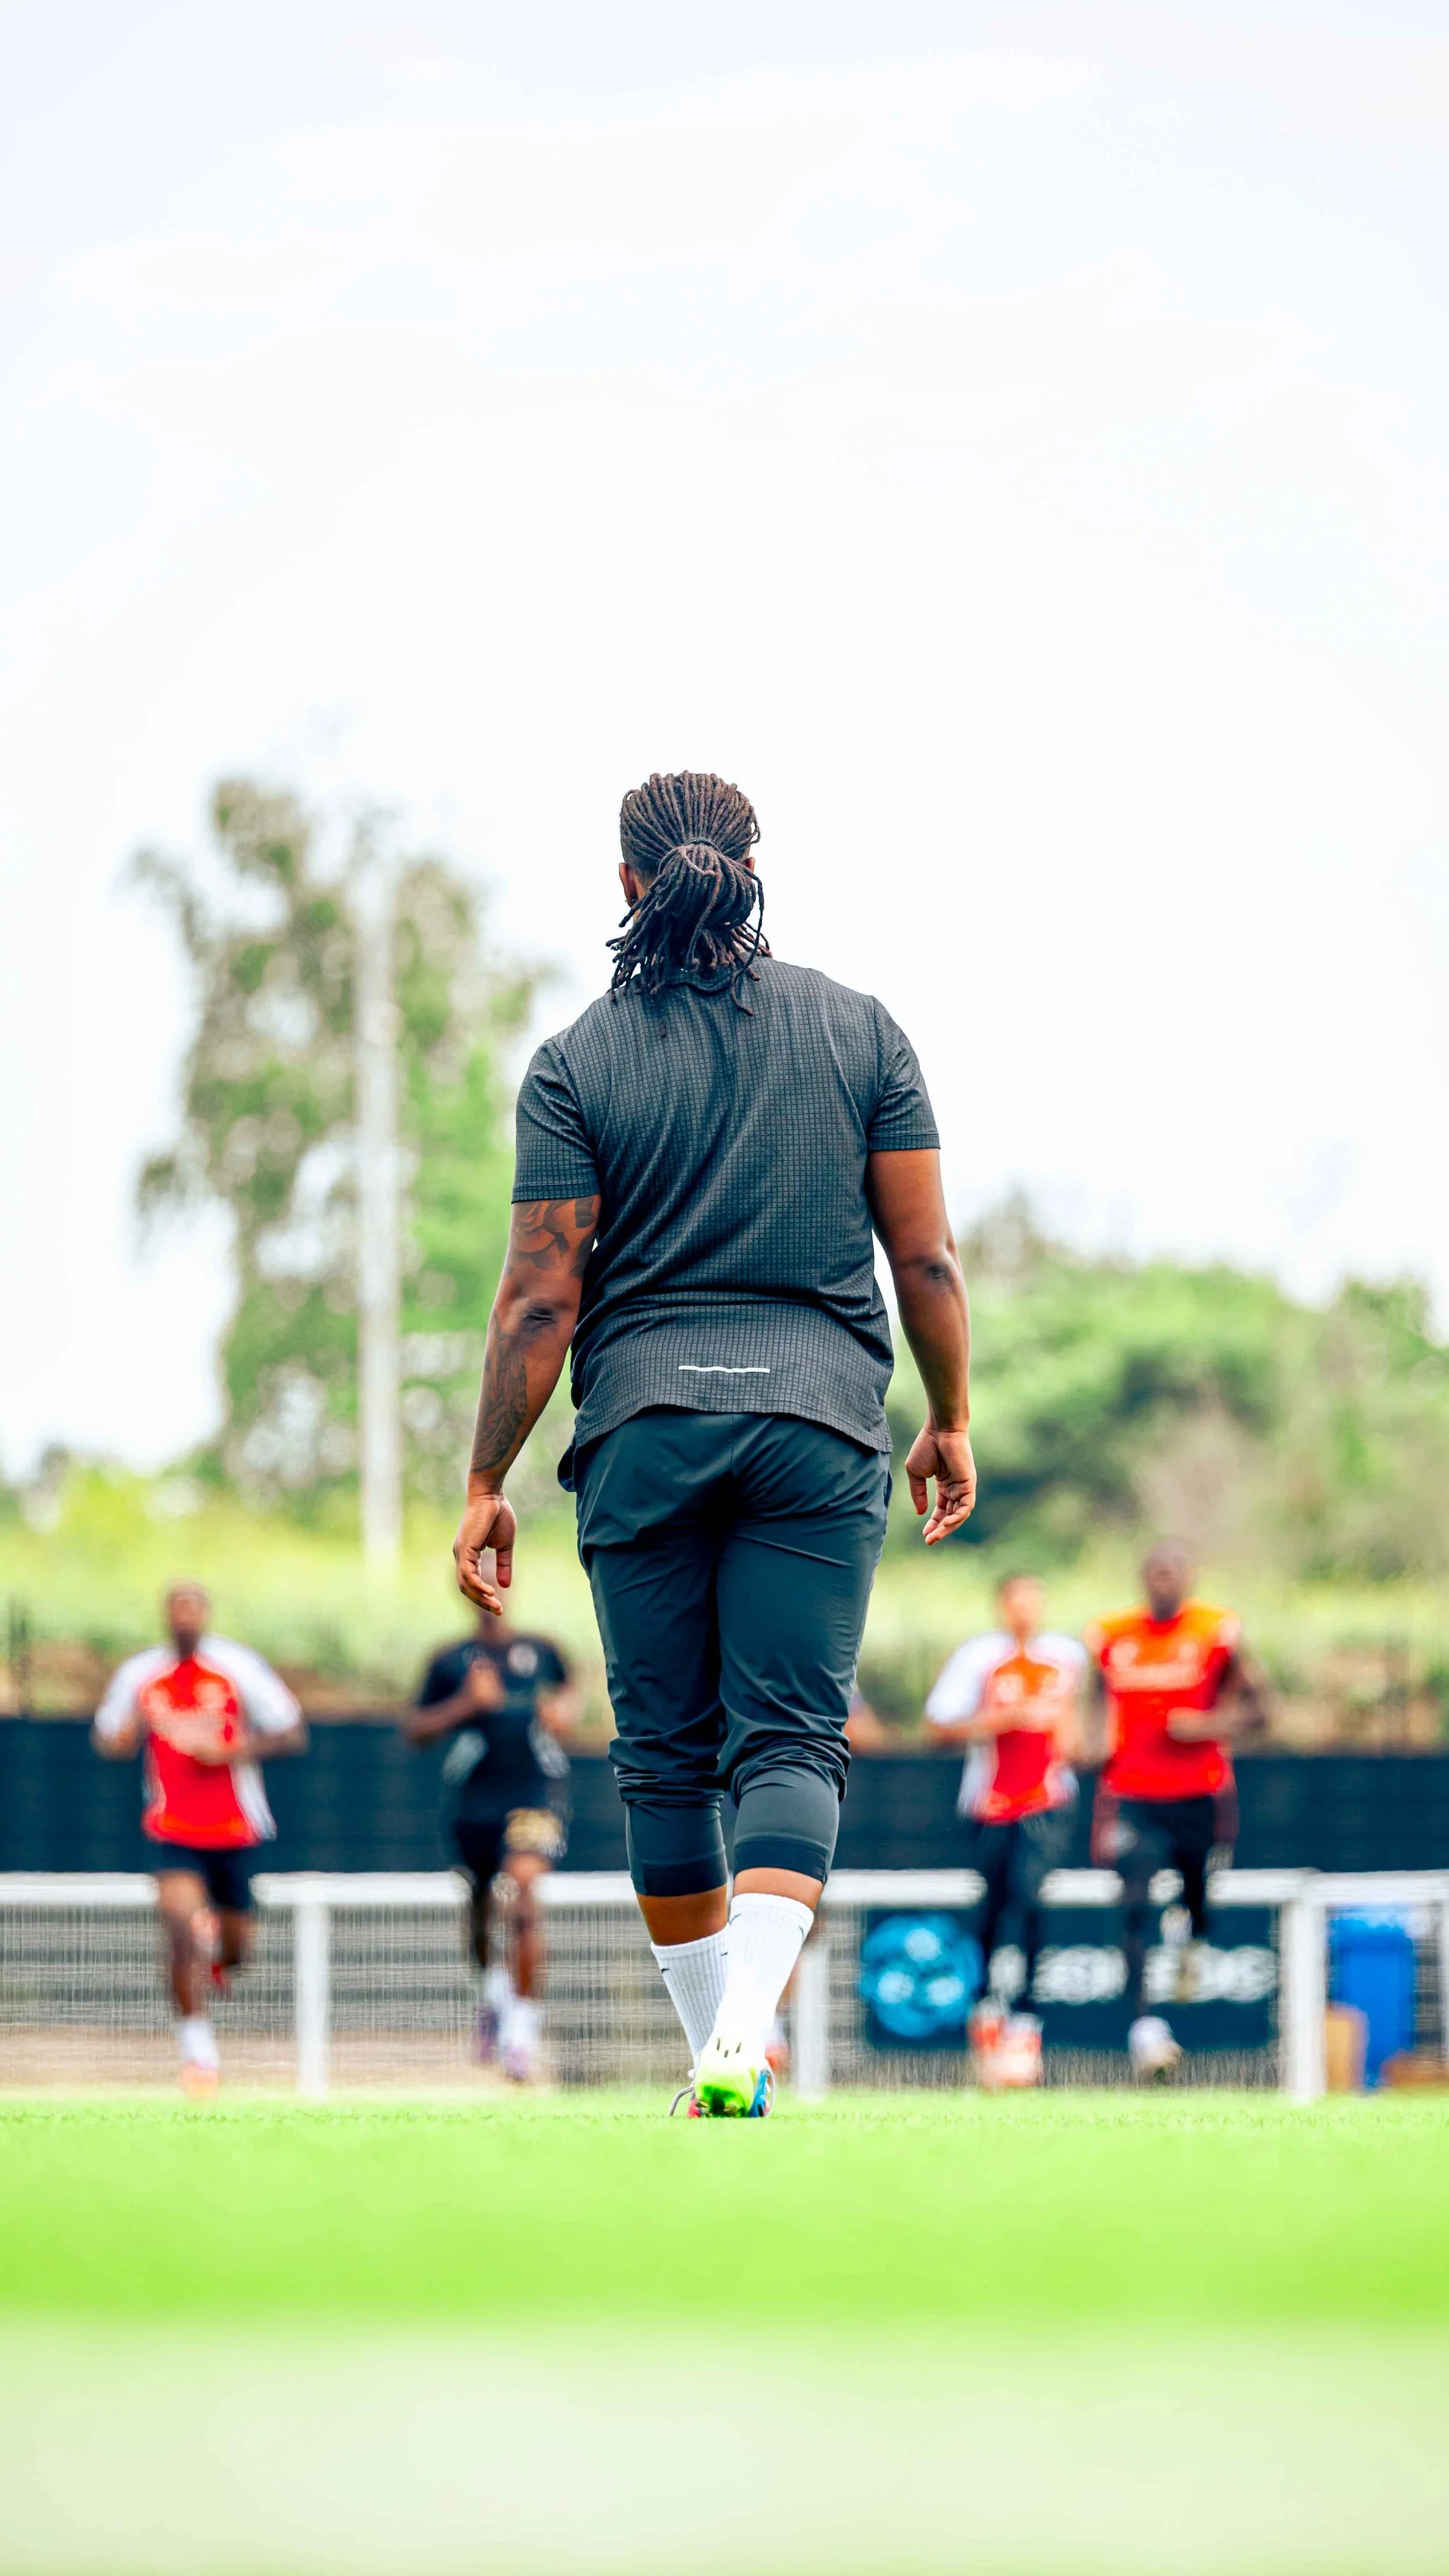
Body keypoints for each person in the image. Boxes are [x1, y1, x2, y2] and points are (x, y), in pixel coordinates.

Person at [449, 769, 974, 2116]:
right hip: (818, 1426)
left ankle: (720, 2053)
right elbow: (924, 1258)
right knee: (791, 1740)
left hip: (643, 1430)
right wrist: (949, 1416)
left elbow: (540, 1298)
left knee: (666, 1758)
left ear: (626, 882)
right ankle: (741, 2042)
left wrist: (486, 1478)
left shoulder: (576, 1062)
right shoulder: (860, 1032)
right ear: (755, 868)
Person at [93, 1582, 306, 2094]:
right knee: (179, 1928)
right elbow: (108, 1736)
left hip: (235, 1827)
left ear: (205, 1615)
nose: (184, 1619)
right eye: (176, 1610)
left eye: (192, 1610)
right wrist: (122, 1739)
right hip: (173, 1827)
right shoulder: (142, 1674)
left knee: (237, 1951)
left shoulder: (236, 1667)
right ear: (166, 1616)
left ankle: (218, 1949)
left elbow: (291, 1732)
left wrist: (233, 1751)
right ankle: (199, 2056)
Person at [1087, 1540, 1269, 2081]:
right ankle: (1145, 2030)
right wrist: (1091, 1741)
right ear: (1143, 1578)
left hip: (1199, 1792)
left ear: (1189, 1578)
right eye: (1155, 1572)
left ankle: (1193, 1935)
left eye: (1173, 1572)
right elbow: (1092, 1701)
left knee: (1197, 1895)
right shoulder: (1113, 1636)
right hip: (1132, 1793)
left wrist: (1206, 1725)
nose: (1163, 1580)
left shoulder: (1215, 1632)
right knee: (1133, 1902)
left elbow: (1263, 1710)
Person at [924, 1574, 1087, 2085]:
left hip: (1048, 1802)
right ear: (1001, 1605)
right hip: (990, 1804)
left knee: (1031, 1895)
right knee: (993, 1906)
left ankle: (1026, 2018)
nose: (1025, 1611)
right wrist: (999, 1721)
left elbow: (1081, 1731)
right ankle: (986, 2012)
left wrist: (1069, 1738)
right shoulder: (979, 1657)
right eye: (1017, 1601)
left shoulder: (1066, 1656)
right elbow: (938, 1727)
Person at [404, 1607, 577, 2081]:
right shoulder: (449, 1659)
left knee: (522, 1891)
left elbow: (571, 1693)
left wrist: (564, 1711)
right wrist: (467, 1703)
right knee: (481, 1908)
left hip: (534, 1797)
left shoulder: (541, 1650)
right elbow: (414, 1730)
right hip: (474, 1803)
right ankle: (493, 1997)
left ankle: (521, 2034)